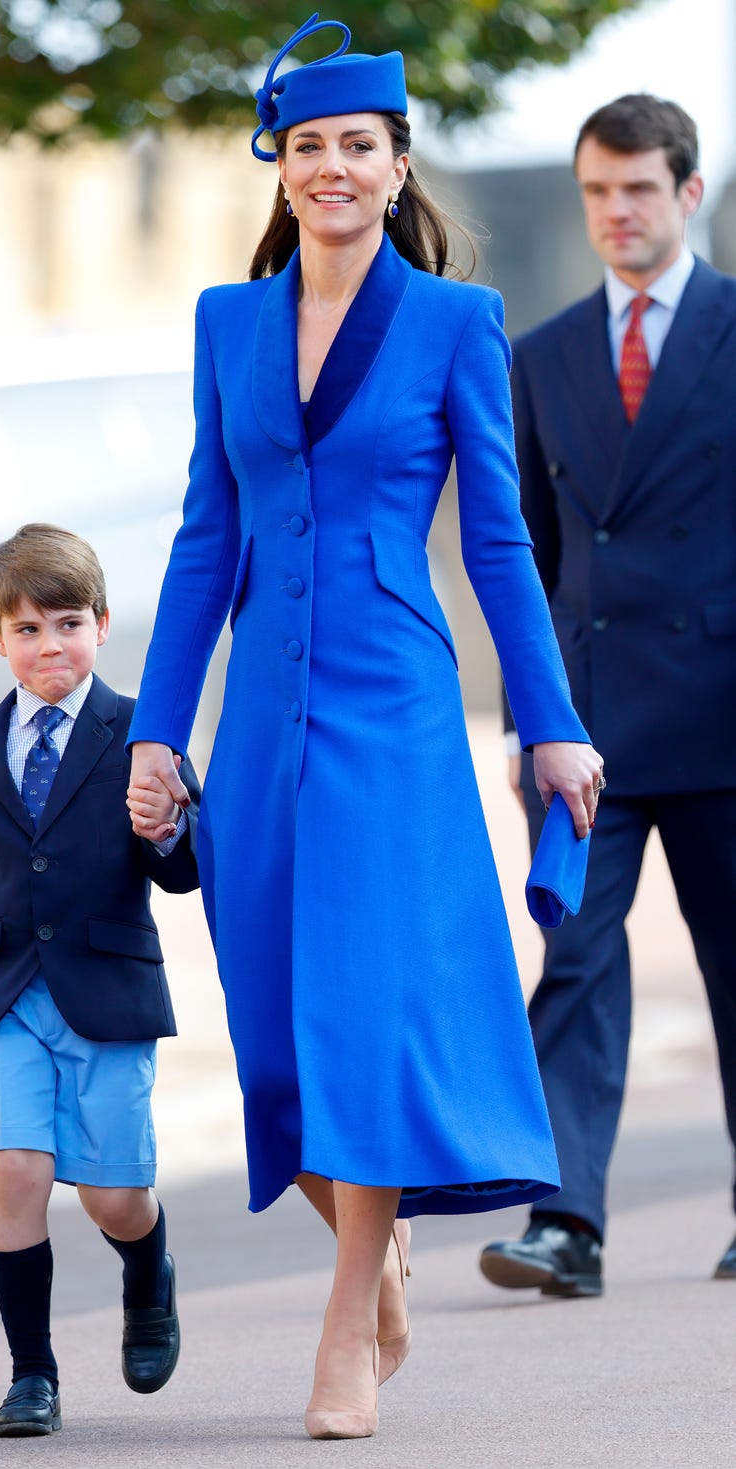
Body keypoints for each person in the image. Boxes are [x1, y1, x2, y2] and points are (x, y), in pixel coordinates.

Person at [126, 13, 602, 1442]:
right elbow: (207, 533)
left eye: (362, 148)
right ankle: (373, 1238)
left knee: (360, 1009)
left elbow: (505, 546)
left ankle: (349, 1316)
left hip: (393, 700)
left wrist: (549, 722)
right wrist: (159, 727)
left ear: (399, 171)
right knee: (271, 1027)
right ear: (284, 169)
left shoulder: (457, 323)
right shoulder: (226, 321)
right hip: (260, 707)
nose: (334, 168)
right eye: (311, 146)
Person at [479, 95, 736, 1298]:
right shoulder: (538, 355)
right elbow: (523, 550)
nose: (614, 212)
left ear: (686, 194)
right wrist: (531, 716)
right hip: (584, 725)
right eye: (595, 190)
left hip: (725, 710)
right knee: (571, 953)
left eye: (636, 188)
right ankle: (563, 1219)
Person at [0, 522, 200, 1437]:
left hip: (106, 993)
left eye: (66, 623)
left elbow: (185, 872)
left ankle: (147, 1271)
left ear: (102, 624)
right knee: (16, 1171)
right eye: (26, 628)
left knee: (112, 1194)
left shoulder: (143, 733)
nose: (48, 645)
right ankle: (33, 1374)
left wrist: (168, 831)